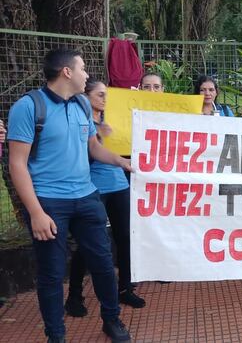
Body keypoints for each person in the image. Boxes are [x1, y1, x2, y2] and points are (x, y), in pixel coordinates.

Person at [7, 48, 132, 342]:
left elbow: (94, 147)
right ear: (66, 72)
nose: (86, 74)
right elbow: (17, 163)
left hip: (87, 197)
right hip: (49, 202)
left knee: (102, 263)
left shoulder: (81, 105)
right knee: (51, 274)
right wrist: (36, 212)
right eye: (83, 68)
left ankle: (111, 319)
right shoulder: (27, 107)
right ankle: (56, 335)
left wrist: (123, 162)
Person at [66, 78, 146, 319]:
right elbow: (78, 154)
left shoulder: (115, 119)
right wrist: (97, 133)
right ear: (86, 96)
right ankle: (74, 295)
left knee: (125, 238)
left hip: (119, 185)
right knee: (88, 242)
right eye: (100, 94)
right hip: (94, 188)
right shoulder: (80, 122)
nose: (104, 99)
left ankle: (125, 288)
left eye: (106, 95)